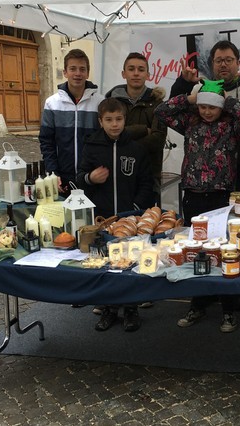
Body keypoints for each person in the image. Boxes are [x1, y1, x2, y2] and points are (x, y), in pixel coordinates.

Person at [156, 79, 240, 332]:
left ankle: (228, 309)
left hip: (220, 196)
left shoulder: (231, 126)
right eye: (203, 107)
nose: (207, 112)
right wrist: (189, 99)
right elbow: (161, 112)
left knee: (222, 251)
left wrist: (226, 99)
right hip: (193, 194)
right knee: (195, 250)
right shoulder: (190, 123)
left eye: (212, 107)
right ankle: (197, 305)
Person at [77, 98, 154, 332]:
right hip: (103, 218)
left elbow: (146, 182)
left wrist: (135, 207)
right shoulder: (91, 146)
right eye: (109, 120)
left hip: (129, 218)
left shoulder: (136, 148)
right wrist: (91, 178)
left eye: (118, 119)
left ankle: (131, 309)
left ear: (125, 120)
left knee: (130, 264)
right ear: (100, 121)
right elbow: (79, 177)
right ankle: (109, 308)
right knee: (108, 265)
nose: (114, 124)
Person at [169, 41, 240, 189]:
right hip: (210, 174)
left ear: (238, 62)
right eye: (219, 60)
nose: (223, 64)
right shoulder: (200, 89)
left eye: (228, 60)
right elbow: (173, 109)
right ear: (212, 64)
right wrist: (183, 83)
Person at [39, 49, 104, 198]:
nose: (78, 73)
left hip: (91, 178)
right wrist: (53, 173)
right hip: (62, 178)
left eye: (82, 69)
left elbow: (104, 141)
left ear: (88, 73)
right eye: (73, 68)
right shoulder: (52, 103)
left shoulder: (100, 102)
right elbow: (46, 142)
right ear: (65, 72)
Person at [105, 52, 168, 203]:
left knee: (149, 222)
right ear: (123, 73)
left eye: (141, 69)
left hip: (150, 175)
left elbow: (157, 140)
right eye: (131, 69)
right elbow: (107, 134)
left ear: (148, 74)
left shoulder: (158, 103)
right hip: (118, 174)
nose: (136, 73)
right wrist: (142, 129)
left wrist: (123, 142)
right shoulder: (111, 102)